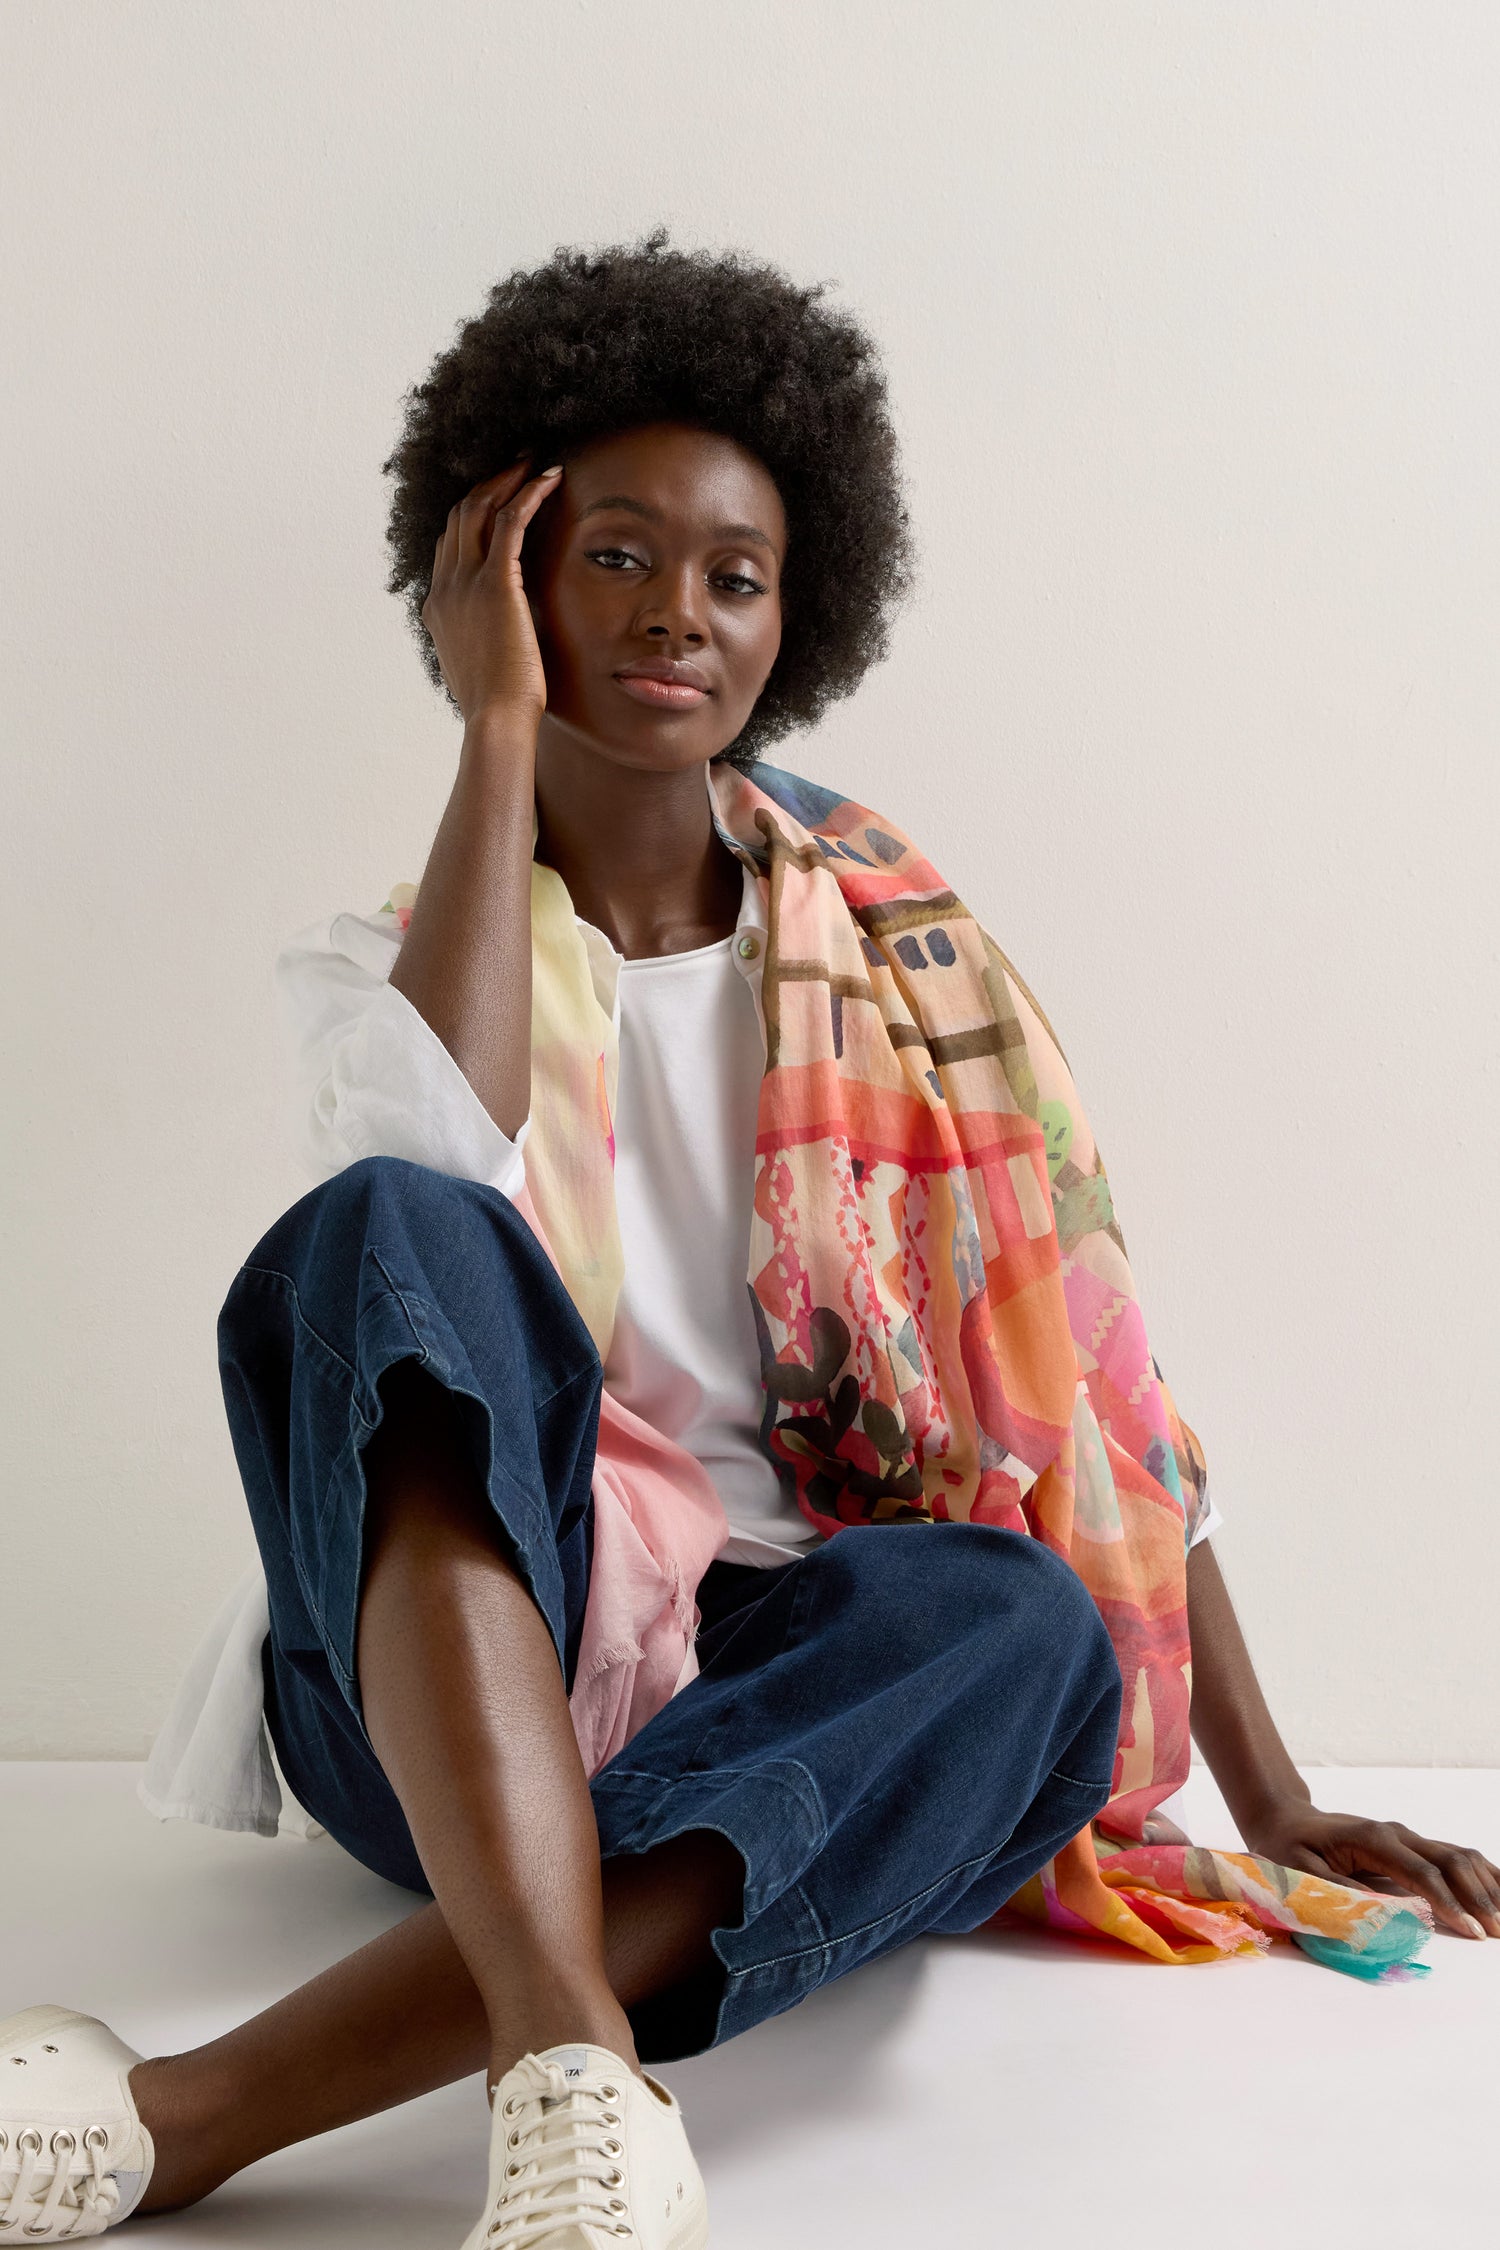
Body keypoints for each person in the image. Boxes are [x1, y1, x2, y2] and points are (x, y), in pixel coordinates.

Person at [4, 228, 1498, 2250]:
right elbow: (430, 1172)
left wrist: (1275, 1787)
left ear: (802, 612)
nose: (676, 614)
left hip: (787, 1690)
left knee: (1021, 1628)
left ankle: (218, 2105)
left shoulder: (904, 960)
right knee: (383, 1228)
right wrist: (494, 740)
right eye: (613, 554)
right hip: (443, 1696)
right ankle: (438, 2073)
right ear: (506, 572)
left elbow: (1104, 1396)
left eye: (734, 573)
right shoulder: (389, 966)